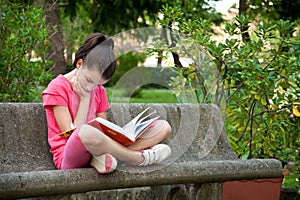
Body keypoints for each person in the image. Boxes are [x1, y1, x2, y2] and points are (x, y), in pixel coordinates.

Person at [42, 33, 171, 174]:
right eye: (90, 81)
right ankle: (136, 158)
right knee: (84, 131)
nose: (92, 88)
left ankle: (107, 158)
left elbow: (103, 127)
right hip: (69, 157)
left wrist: (122, 134)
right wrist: (84, 99)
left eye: (98, 84)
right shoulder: (57, 88)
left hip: (98, 147)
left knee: (163, 127)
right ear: (79, 64)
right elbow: (71, 135)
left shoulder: (98, 90)